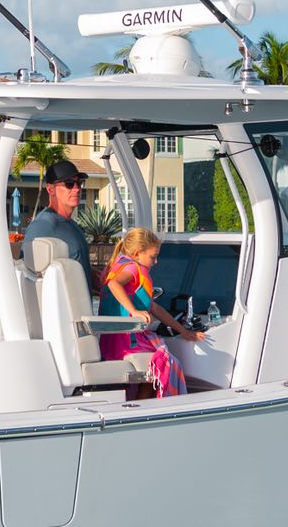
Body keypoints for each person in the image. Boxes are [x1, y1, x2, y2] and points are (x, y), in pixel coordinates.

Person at [98, 227, 190, 397]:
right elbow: (114, 284)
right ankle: (146, 410)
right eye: (153, 257)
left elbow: (154, 308)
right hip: (126, 342)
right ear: (138, 253)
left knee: (156, 368)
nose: (156, 262)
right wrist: (134, 311)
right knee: (164, 363)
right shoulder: (132, 269)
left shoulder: (118, 265)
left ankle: (140, 407)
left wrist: (183, 330)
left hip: (110, 340)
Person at [25, 158, 93, 281]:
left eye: (79, 183)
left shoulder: (72, 225)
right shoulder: (43, 225)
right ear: (51, 189)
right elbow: (29, 275)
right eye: (69, 184)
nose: (77, 189)